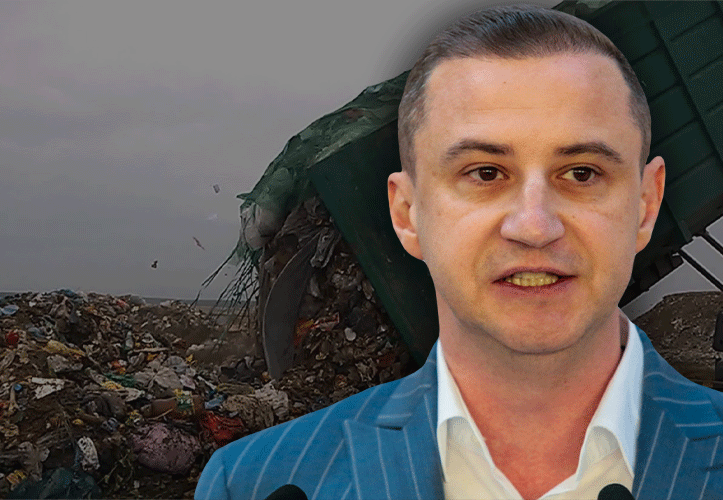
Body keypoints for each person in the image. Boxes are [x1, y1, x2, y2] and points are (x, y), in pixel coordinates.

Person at [195, 4, 723, 500]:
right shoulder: (254, 483)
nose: (534, 228)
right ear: (407, 214)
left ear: (647, 204)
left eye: (582, 173)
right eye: (485, 173)